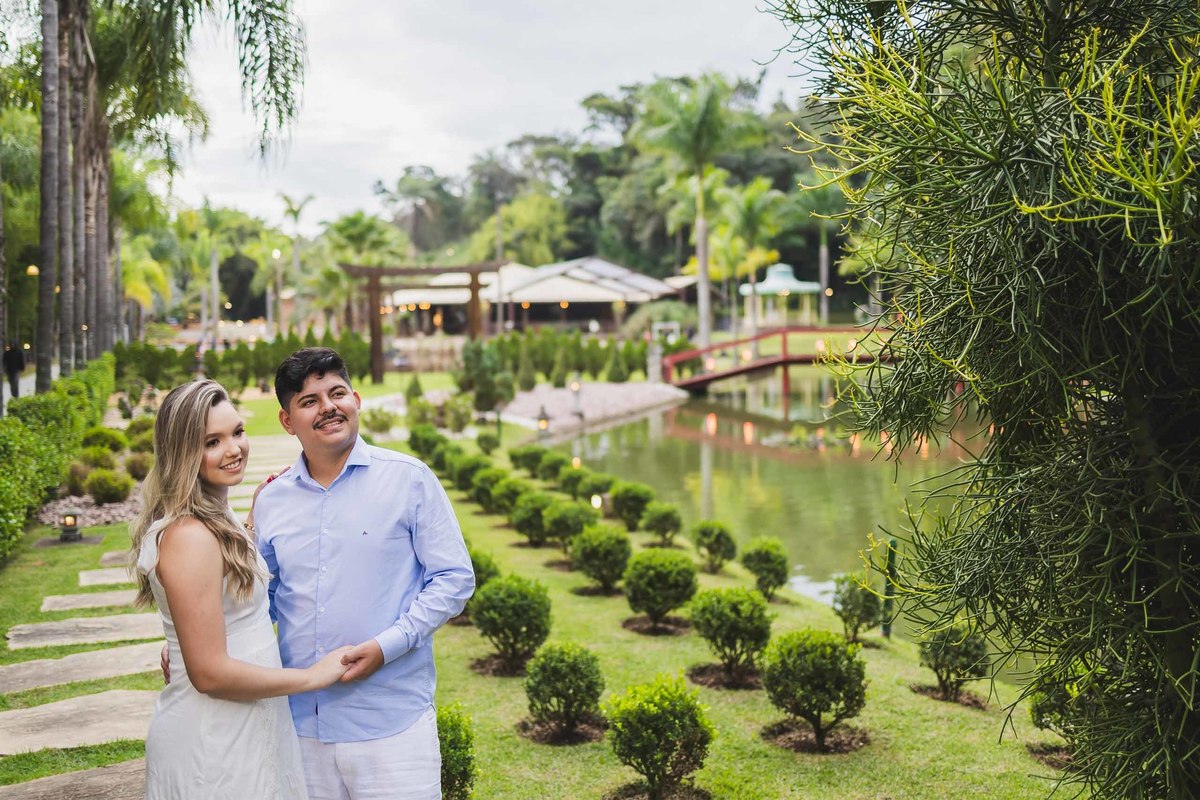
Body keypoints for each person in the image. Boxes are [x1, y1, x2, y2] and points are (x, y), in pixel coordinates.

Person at [251, 347, 474, 799]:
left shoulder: (409, 479)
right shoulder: (271, 501)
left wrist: (387, 646)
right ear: (287, 421)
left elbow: (454, 578)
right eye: (309, 401)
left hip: (392, 725)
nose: (328, 407)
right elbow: (259, 601)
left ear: (355, 399)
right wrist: (202, 641)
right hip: (300, 727)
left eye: (337, 393)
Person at [131, 379, 354, 798]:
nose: (234, 449)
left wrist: (250, 521)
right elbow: (209, 674)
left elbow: (225, 593)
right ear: (182, 453)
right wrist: (311, 678)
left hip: (248, 725)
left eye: (237, 432)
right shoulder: (188, 536)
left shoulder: (216, 517)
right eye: (212, 442)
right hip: (214, 740)